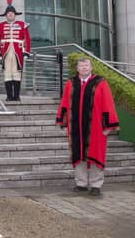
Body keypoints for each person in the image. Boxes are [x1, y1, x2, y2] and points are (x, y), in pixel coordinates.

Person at [56, 57, 120, 196]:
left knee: (96, 153)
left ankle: (96, 184)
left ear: (91, 67)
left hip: (96, 126)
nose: (84, 68)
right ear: (77, 68)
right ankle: (81, 183)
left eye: (86, 66)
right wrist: (63, 119)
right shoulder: (71, 83)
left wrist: (108, 125)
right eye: (81, 66)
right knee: (79, 153)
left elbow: (108, 103)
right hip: (76, 127)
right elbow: (65, 102)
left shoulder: (100, 83)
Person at [0, 0, 31, 101]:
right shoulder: (0, 26)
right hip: (5, 52)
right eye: (8, 13)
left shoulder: (22, 25)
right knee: (7, 73)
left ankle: (17, 95)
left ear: (15, 15)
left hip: (18, 52)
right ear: (5, 15)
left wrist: (26, 52)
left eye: (12, 13)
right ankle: (9, 96)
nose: (10, 14)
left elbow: (27, 39)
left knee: (16, 73)